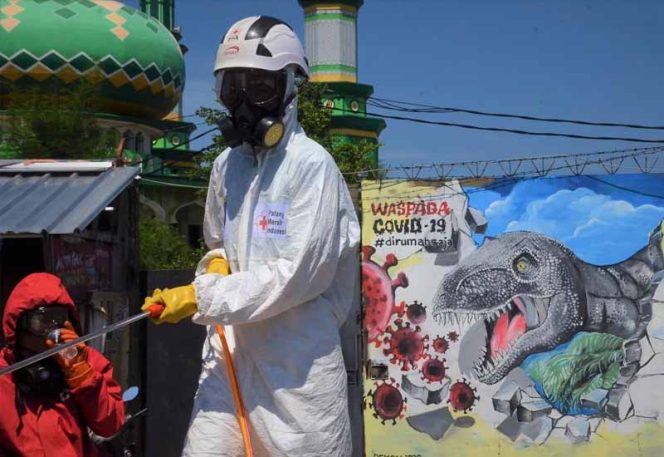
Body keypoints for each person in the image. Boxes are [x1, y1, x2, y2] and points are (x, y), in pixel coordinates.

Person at [142, 15, 360, 457]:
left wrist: (202, 297)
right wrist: (216, 265)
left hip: (296, 374)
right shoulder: (227, 167)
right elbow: (217, 243)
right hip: (229, 354)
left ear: (288, 87)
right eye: (231, 87)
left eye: (259, 88)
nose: (243, 102)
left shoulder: (310, 167)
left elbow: (297, 275)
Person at [0, 272, 125, 456]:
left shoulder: (87, 361)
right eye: (40, 322)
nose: (51, 330)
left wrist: (83, 378)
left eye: (57, 319)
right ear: (18, 327)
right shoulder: (5, 373)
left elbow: (110, 425)